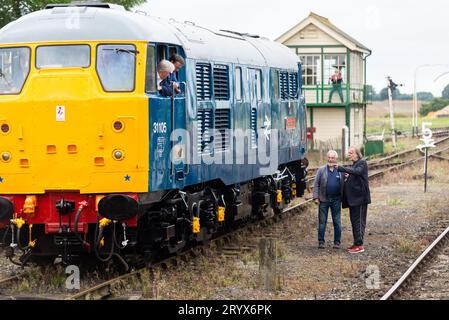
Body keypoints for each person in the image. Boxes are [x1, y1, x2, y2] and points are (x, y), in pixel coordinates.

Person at [337, 146, 371, 254]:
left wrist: (342, 168)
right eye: (349, 153)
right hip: (354, 199)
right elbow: (354, 173)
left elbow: (357, 172)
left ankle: (360, 245)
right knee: (354, 221)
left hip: (360, 199)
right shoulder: (355, 164)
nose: (349, 154)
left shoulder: (362, 163)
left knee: (359, 221)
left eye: (351, 153)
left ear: (357, 154)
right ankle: (356, 242)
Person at [313, 150, 344, 249]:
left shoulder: (340, 170)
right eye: (329, 158)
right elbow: (316, 184)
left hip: (336, 199)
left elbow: (345, 183)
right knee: (322, 221)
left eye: (332, 158)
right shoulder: (321, 170)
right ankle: (321, 241)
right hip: (323, 199)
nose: (330, 160)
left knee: (337, 221)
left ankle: (337, 242)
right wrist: (316, 197)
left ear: (336, 159)